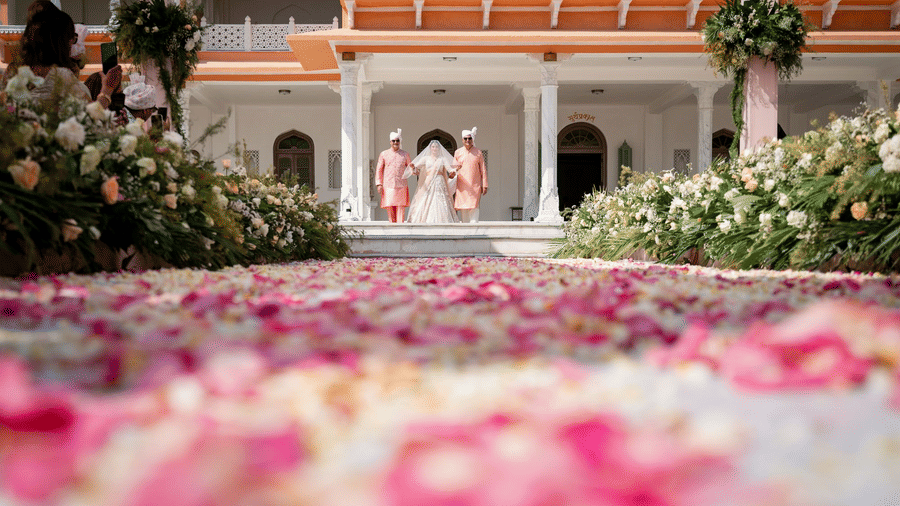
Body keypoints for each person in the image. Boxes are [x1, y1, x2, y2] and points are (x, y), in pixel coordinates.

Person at [1, 3, 121, 111]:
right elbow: (92, 114)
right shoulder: (60, 76)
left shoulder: (12, 71)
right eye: (71, 38)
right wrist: (107, 90)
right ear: (62, 43)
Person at [405, 140, 460, 224]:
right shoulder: (425, 158)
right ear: (430, 148)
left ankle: (442, 220)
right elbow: (416, 168)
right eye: (433, 147)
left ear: (439, 148)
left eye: (436, 147)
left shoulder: (442, 159)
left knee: (440, 199)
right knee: (426, 198)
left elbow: (449, 169)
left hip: (439, 181)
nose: (435, 148)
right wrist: (413, 167)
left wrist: (455, 170)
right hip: (428, 182)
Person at [376, 128, 414, 223]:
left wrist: (414, 169)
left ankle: (400, 229)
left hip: (401, 184)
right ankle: (392, 228)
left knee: (400, 207)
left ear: (400, 141)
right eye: (393, 141)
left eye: (397, 141)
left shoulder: (405, 154)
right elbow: (379, 170)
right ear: (390, 142)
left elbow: (410, 167)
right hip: (388, 184)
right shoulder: (384, 154)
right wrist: (379, 184)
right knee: (390, 207)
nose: (395, 142)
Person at [453, 127, 488, 223]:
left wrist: (484, 185)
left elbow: (483, 170)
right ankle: (466, 232)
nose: (467, 140)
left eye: (469, 138)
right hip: (462, 186)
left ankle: (474, 230)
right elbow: (453, 168)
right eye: (465, 139)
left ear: (472, 139)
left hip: (474, 185)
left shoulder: (478, 152)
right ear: (462, 140)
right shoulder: (458, 152)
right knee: (464, 209)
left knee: (474, 207)